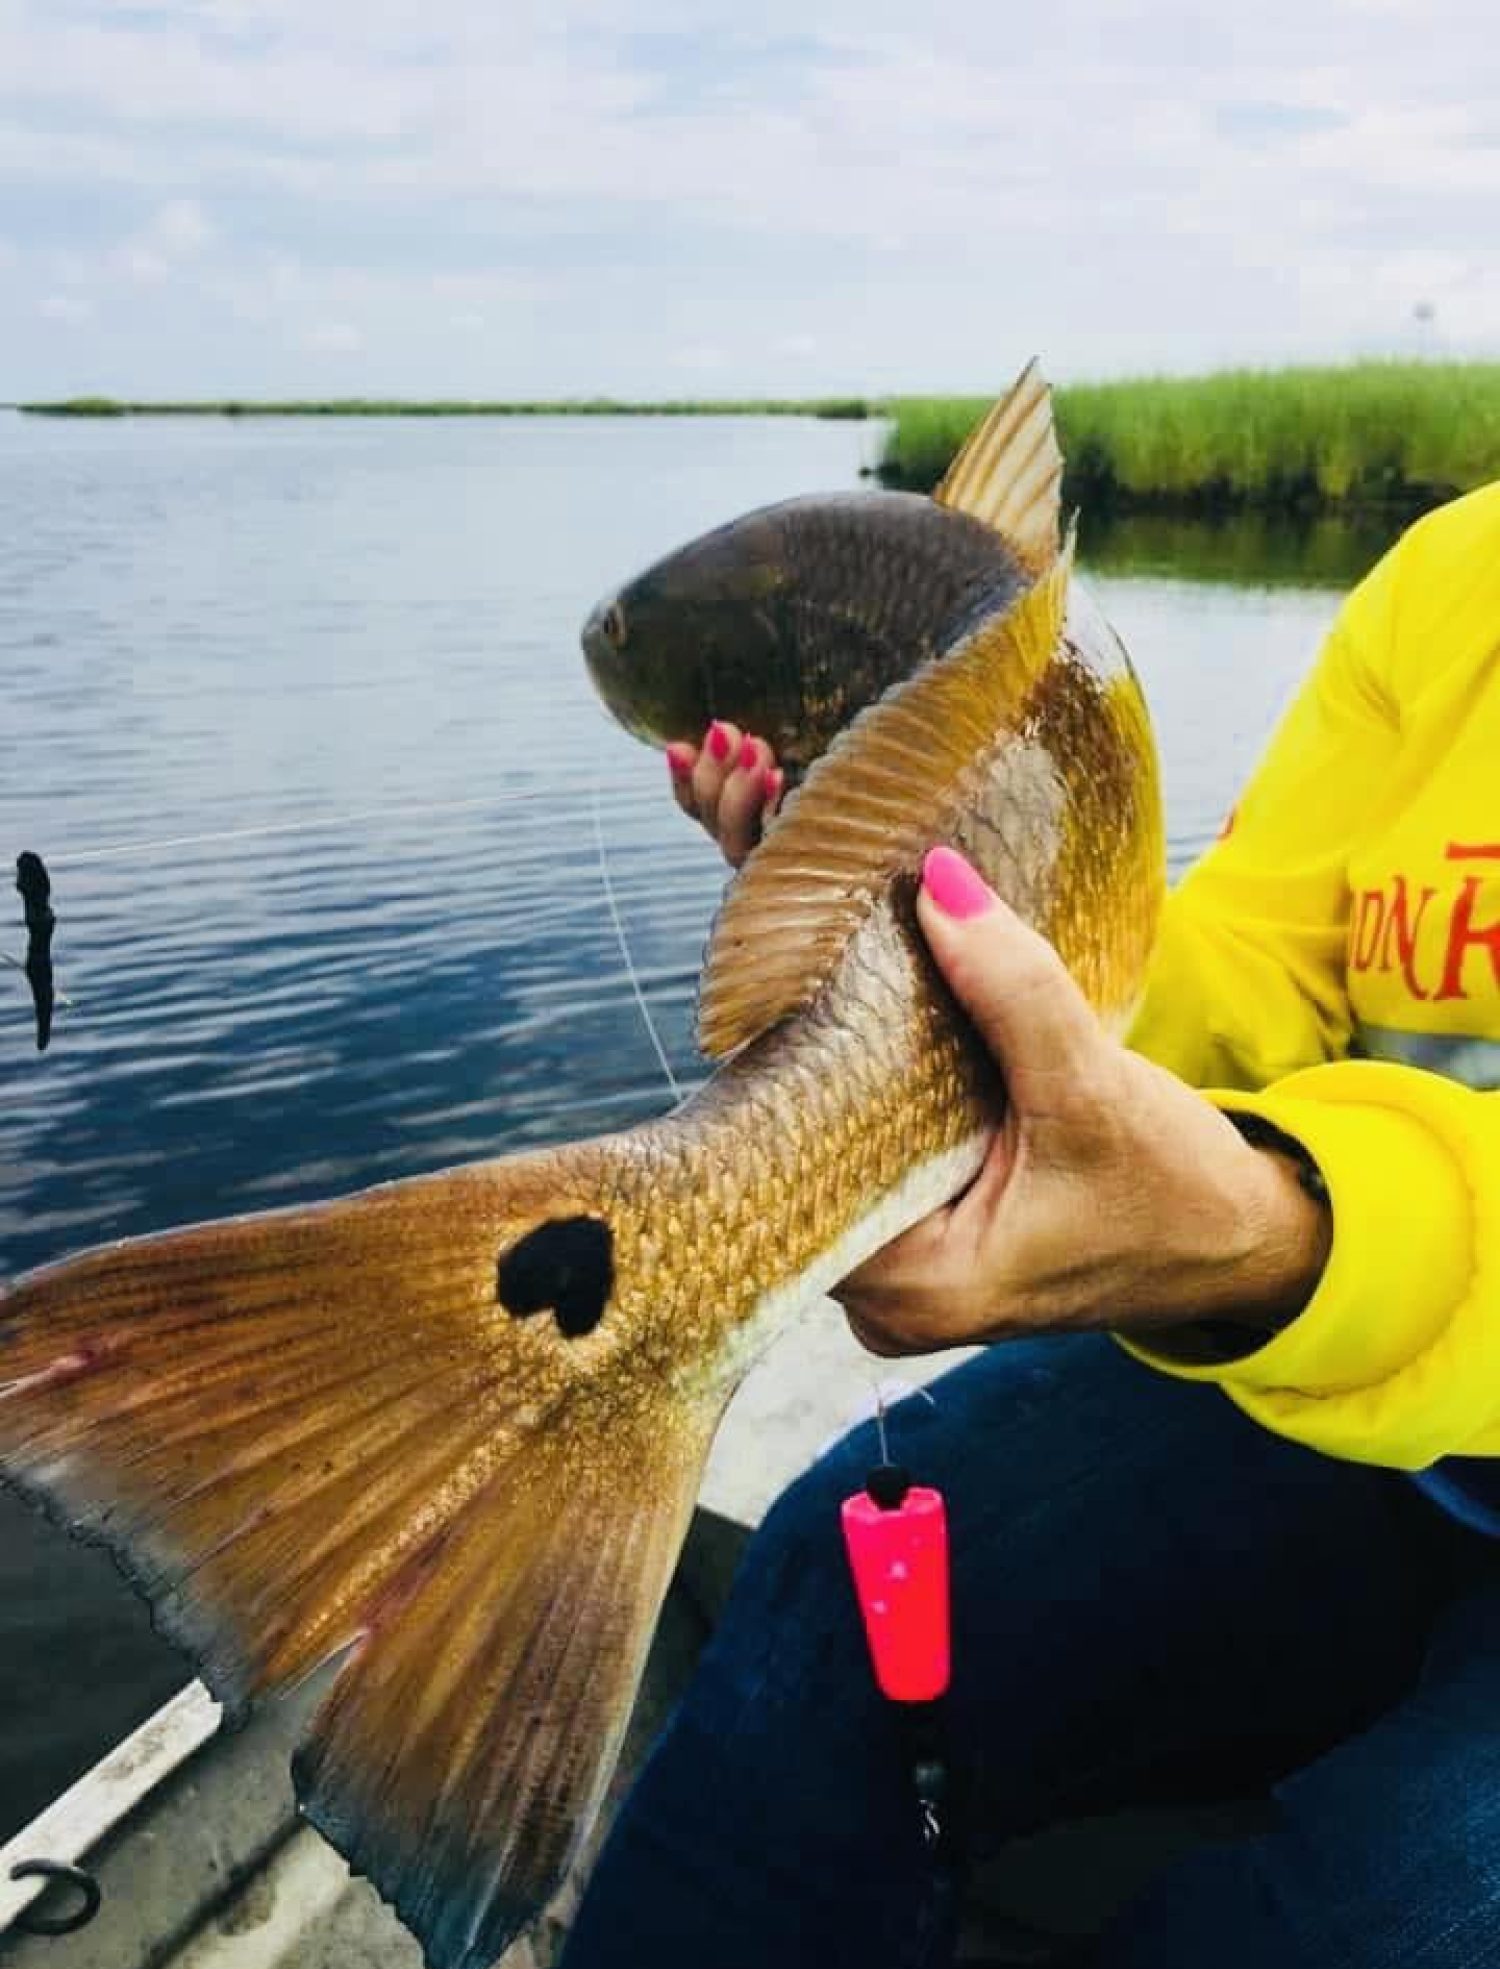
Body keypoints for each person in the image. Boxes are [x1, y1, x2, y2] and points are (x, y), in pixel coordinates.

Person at [561, 483, 1500, 1968]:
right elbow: (1250, 983)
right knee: (838, 1592)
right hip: (1363, 1386)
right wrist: (945, 899)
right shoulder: (1456, 572)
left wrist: (1276, 1234)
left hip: (1334, 1285)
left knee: (1348, 1929)